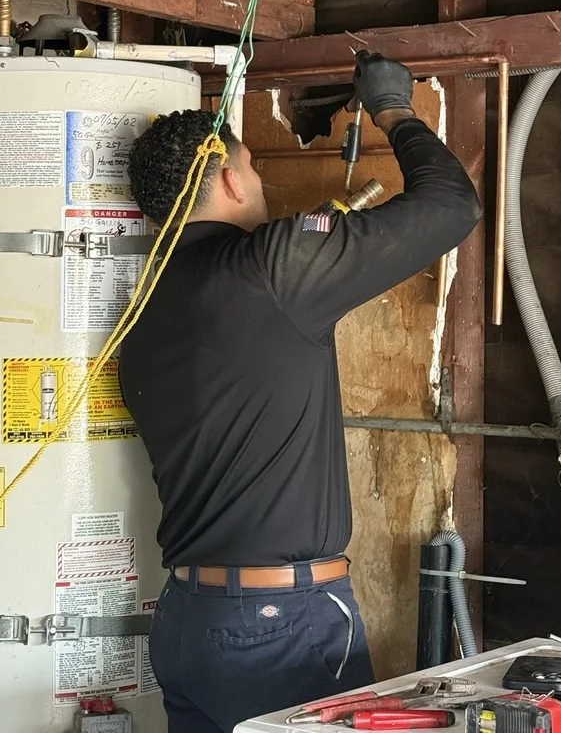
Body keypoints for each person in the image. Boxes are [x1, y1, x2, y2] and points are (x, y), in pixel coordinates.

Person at [119, 53, 482, 733]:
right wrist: (394, 110)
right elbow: (451, 207)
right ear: (227, 177)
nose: (258, 179)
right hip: (277, 630)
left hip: (188, 628)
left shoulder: (143, 310)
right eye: (254, 166)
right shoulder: (270, 271)